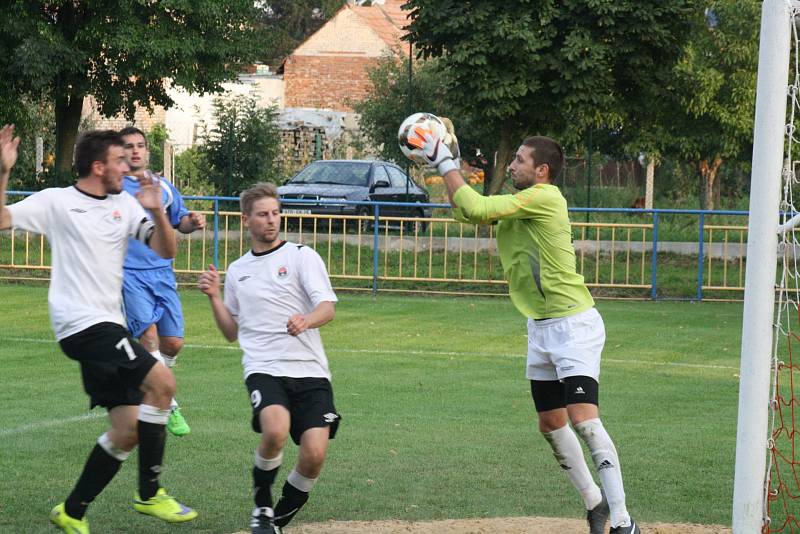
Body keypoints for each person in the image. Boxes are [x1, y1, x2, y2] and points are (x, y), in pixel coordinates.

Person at [410, 125, 640, 534]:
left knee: (584, 420)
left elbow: (477, 209)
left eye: (520, 159)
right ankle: (596, 503)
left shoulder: (546, 197)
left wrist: (445, 159)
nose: (512, 164)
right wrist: (441, 165)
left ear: (542, 171)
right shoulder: (521, 200)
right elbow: (467, 210)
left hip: (574, 326)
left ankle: (624, 521)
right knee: (551, 424)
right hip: (541, 328)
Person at [0, 125, 197, 534]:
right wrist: (3, 171)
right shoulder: (58, 202)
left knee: (127, 431)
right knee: (162, 383)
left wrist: (157, 210)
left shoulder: (125, 207)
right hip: (82, 324)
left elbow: (166, 250)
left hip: (110, 326)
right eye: (119, 160)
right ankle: (150, 493)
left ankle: (72, 510)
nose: (127, 166)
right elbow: (2, 218)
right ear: (97, 166)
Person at [198, 182, 340, 534]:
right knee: (274, 430)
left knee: (315, 454)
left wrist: (306, 319)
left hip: (310, 370)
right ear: (246, 219)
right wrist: (215, 297)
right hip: (264, 368)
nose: (271, 220)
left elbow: (327, 307)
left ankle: (278, 517)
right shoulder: (238, 271)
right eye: (263, 214)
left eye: (275, 213)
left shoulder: (301, 256)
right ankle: (261, 505)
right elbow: (231, 332)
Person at [119, 126, 206, 437]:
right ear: (120, 152)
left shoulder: (164, 187)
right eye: (128, 146)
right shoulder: (112, 189)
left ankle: (148, 389)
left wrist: (192, 223)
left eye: (140, 145)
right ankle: (169, 405)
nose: (135, 151)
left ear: (146, 150)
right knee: (150, 338)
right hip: (128, 273)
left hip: (163, 273)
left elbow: (178, 222)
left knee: (173, 343)